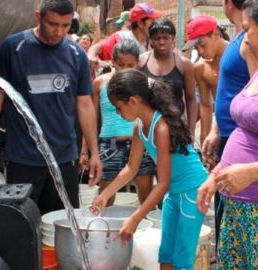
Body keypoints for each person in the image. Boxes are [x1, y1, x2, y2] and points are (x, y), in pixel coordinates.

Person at [0, 0, 102, 214]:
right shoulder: (13, 48)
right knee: (21, 223)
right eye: (52, 24)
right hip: (22, 157)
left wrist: (94, 152)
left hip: (64, 157)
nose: (59, 31)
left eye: (66, 26)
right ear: (38, 16)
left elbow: (85, 104)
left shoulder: (76, 54)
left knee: (63, 224)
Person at [92, 69, 208, 270]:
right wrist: (105, 194)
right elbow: (130, 168)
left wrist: (135, 218)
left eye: (118, 108)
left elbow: (161, 184)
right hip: (173, 193)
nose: (118, 113)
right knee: (166, 255)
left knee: (182, 259)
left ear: (134, 101)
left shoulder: (161, 128)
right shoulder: (139, 127)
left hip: (192, 192)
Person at [198, 2, 258, 268]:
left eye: (247, 29)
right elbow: (246, 132)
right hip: (239, 206)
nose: (243, 37)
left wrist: (252, 172)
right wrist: (217, 174)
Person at [83, 39, 155, 205]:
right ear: (112, 62)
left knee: (146, 197)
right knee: (106, 196)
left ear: (137, 64)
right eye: (120, 64)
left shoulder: (145, 85)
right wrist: (85, 151)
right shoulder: (100, 83)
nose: (125, 69)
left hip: (141, 144)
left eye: (130, 65)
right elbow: (91, 118)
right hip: (110, 146)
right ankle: (104, 229)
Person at [139, 18, 197, 136]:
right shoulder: (140, 62)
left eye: (166, 38)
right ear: (150, 40)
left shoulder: (184, 64)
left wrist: (191, 129)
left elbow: (191, 98)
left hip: (175, 127)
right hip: (147, 127)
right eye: (157, 38)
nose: (161, 42)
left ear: (173, 40)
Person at [182, 15, 229, 147]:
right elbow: (206, 105)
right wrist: (204, 136)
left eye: (202, 45)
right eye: (196, 48)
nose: (200, 51)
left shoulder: (240, 55)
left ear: (215, 34)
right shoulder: (200, 67)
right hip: (221, 129)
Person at [88, 3, 163, 64]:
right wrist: (91, 56)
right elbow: (97, 47)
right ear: (140, 23)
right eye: (152, 21)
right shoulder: (121, 38)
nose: (155, 24)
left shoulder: (151, 43)